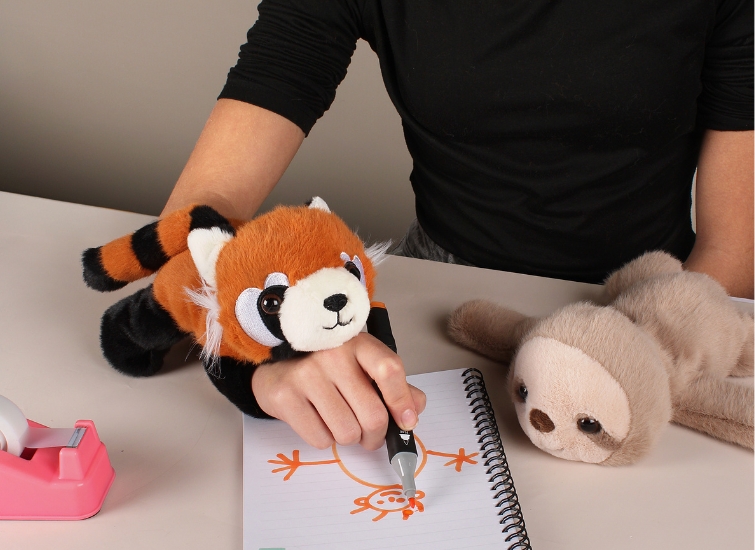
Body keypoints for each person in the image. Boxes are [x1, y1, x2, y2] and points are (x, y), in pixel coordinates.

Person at [159, 1, 753, 450]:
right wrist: (267, 359)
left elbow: (733, 245)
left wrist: (646, 356)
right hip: (446, 301)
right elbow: (189, 233)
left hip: (661, 312)